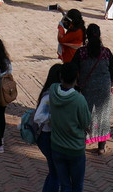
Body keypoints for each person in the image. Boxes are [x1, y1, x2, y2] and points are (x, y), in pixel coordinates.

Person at [72, 23, 113, 154]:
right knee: (103, 115)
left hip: (87, 89)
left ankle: (83, 143)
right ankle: (101, 147)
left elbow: (73, 69)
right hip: (104, 89)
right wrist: (111, 85)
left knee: (85, 116)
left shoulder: (81, 52)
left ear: (87, 36)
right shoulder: (106, 52)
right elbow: (112, 72)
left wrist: (77, 85)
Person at [48, 61, 90, 192]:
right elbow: (86, 123)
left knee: (65, 185)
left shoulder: (53, 90)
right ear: (76, 77)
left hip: (57, 146)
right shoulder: (79, 100)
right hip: (75, 149)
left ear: (61, 77)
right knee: (77, 186)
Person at [31, 64, 63, 192]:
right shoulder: (48, 96)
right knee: (56, 172)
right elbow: (38, 117)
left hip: (50, 137)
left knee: (54, 171)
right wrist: (54, 117)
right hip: (46, 137)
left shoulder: (55, 93)